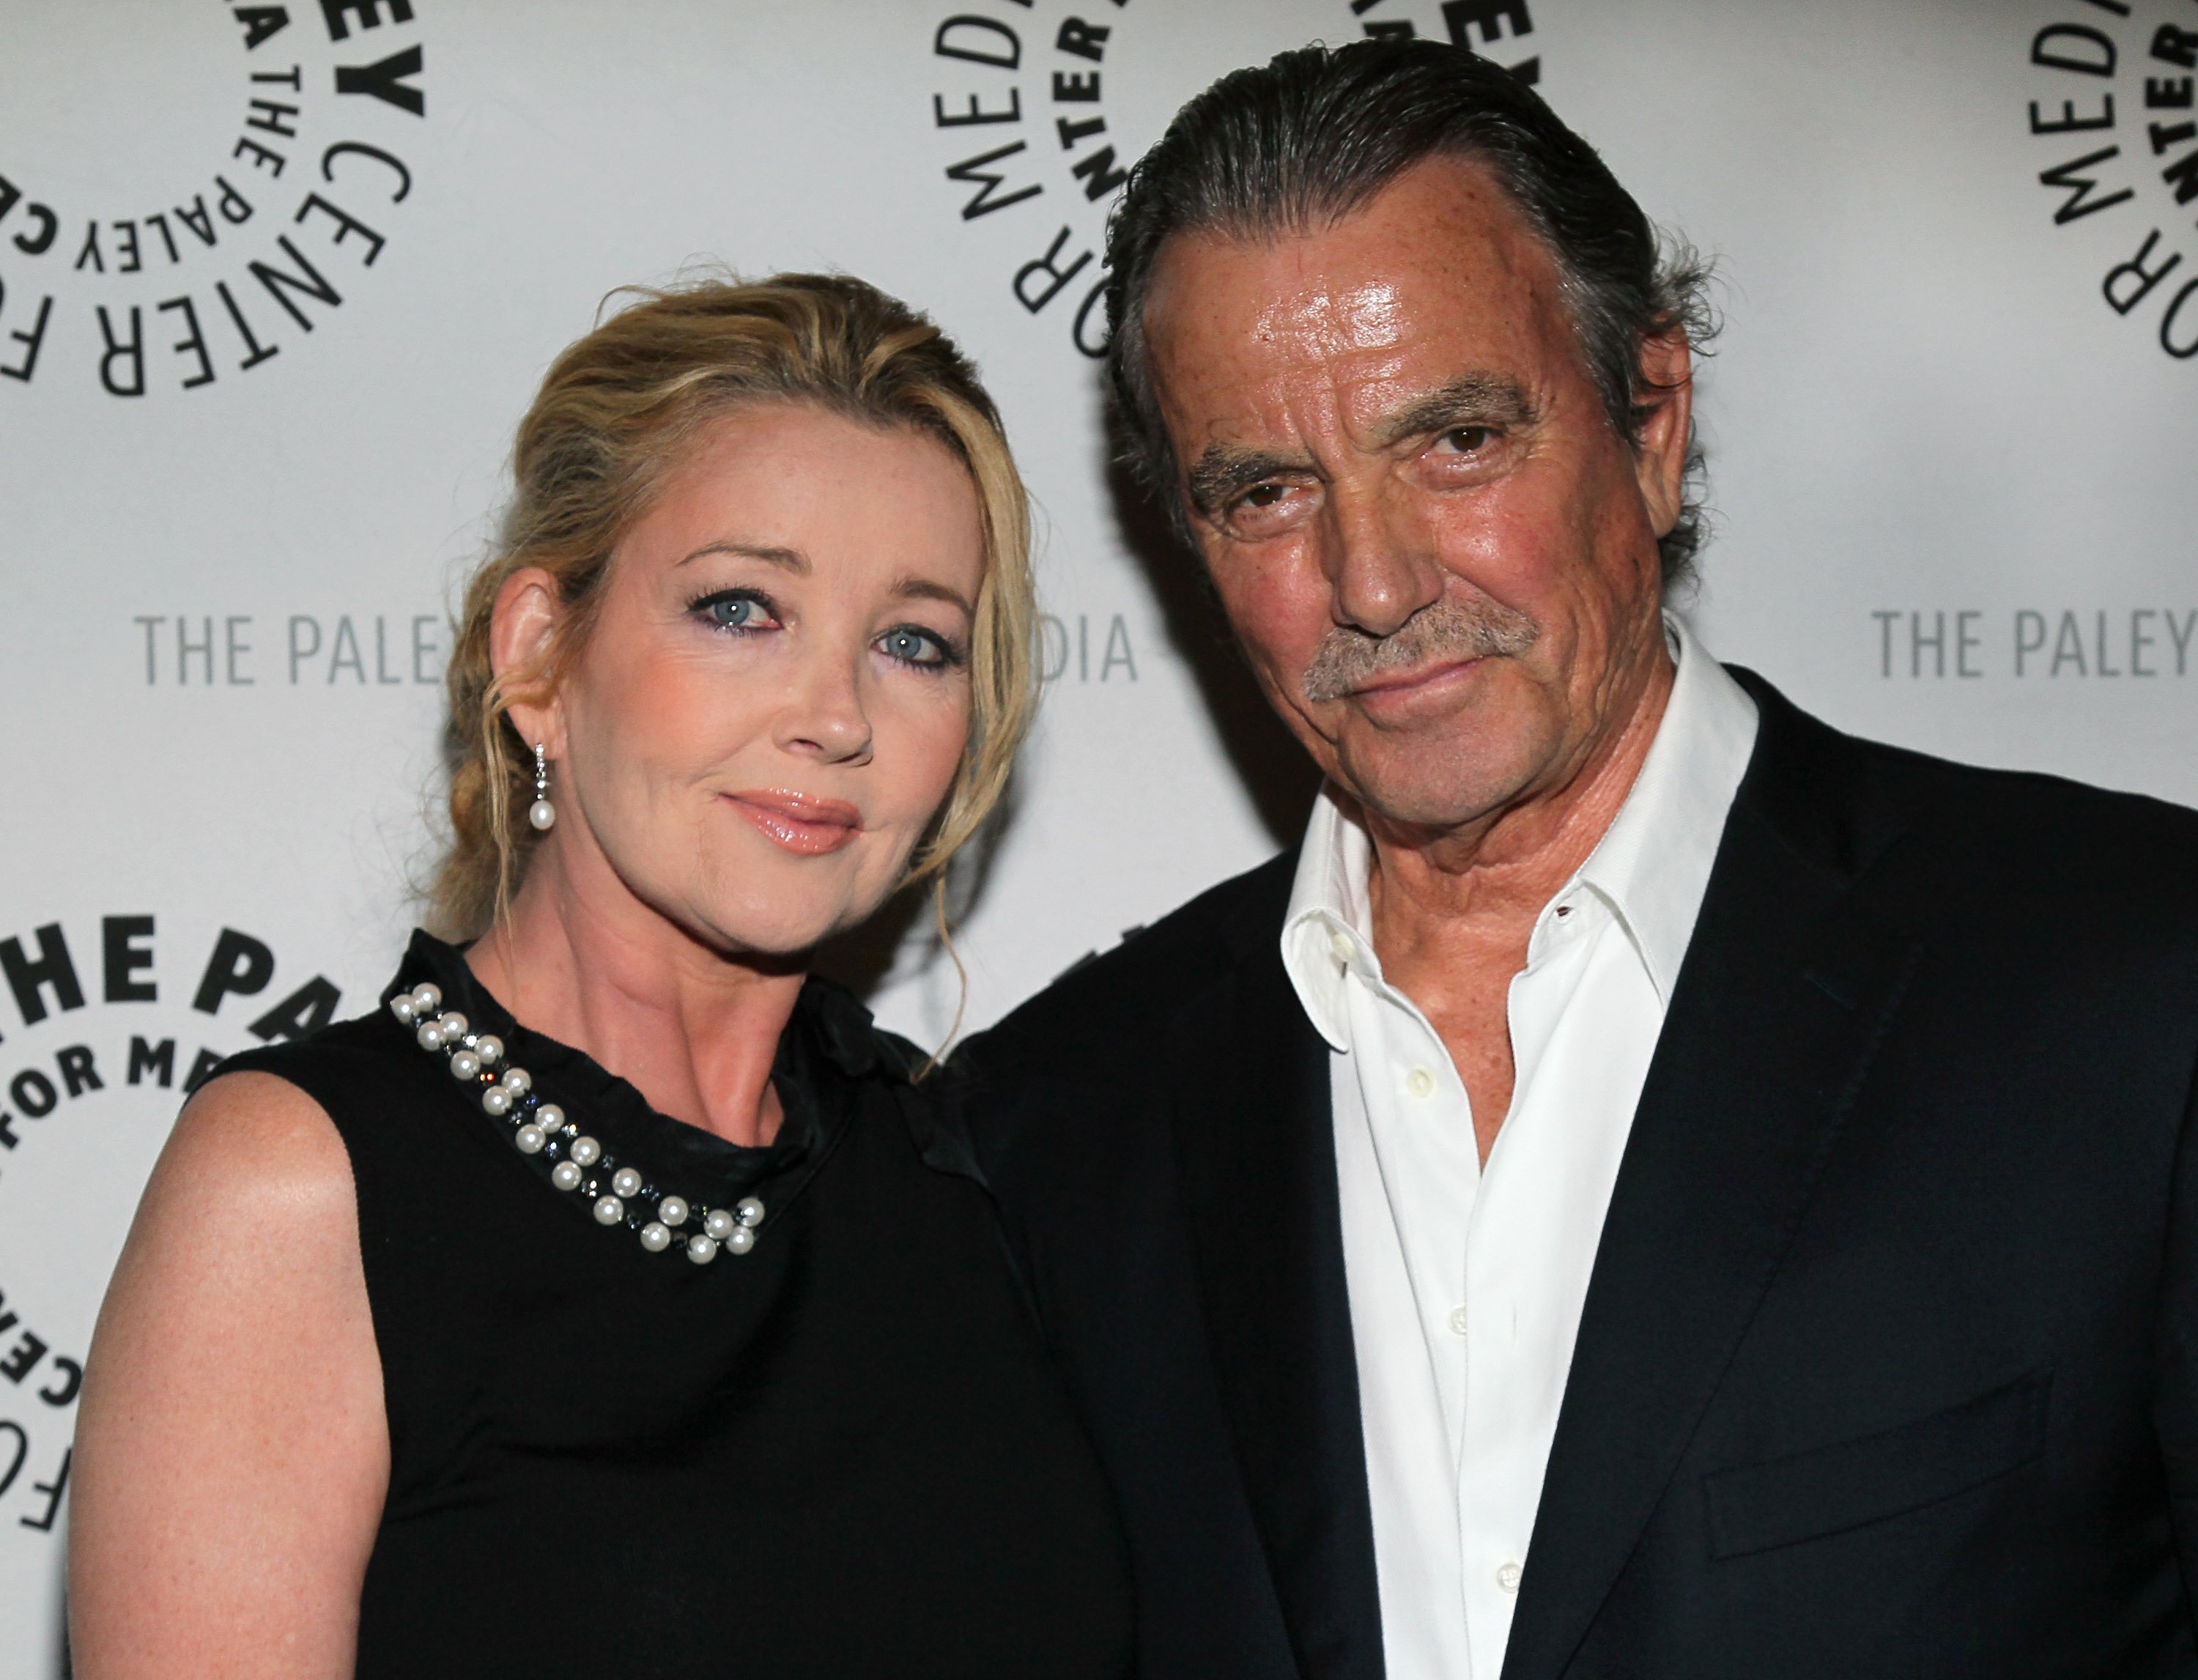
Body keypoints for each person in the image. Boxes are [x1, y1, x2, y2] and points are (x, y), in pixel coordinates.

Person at [957, 38, 2198, 1680]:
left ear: (1653, 422)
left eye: (1458, 442)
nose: (1374, 581)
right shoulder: (1049, 1136)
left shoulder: (2130, 988)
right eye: (1267, 491)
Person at [68, 275, 1133, 1679]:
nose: (836, 715)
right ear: (540, 656)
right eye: (743, 608)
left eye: (912, 642)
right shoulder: (306, 1189)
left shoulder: (973, 1178)